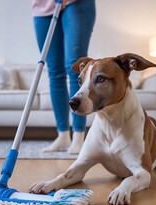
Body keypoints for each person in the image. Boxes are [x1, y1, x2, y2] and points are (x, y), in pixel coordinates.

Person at [32, 0, 96, 154]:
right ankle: (63, 135)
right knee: (54, 72)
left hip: (77, 3)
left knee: (75, 68)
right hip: (42, 7)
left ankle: (78, 136)